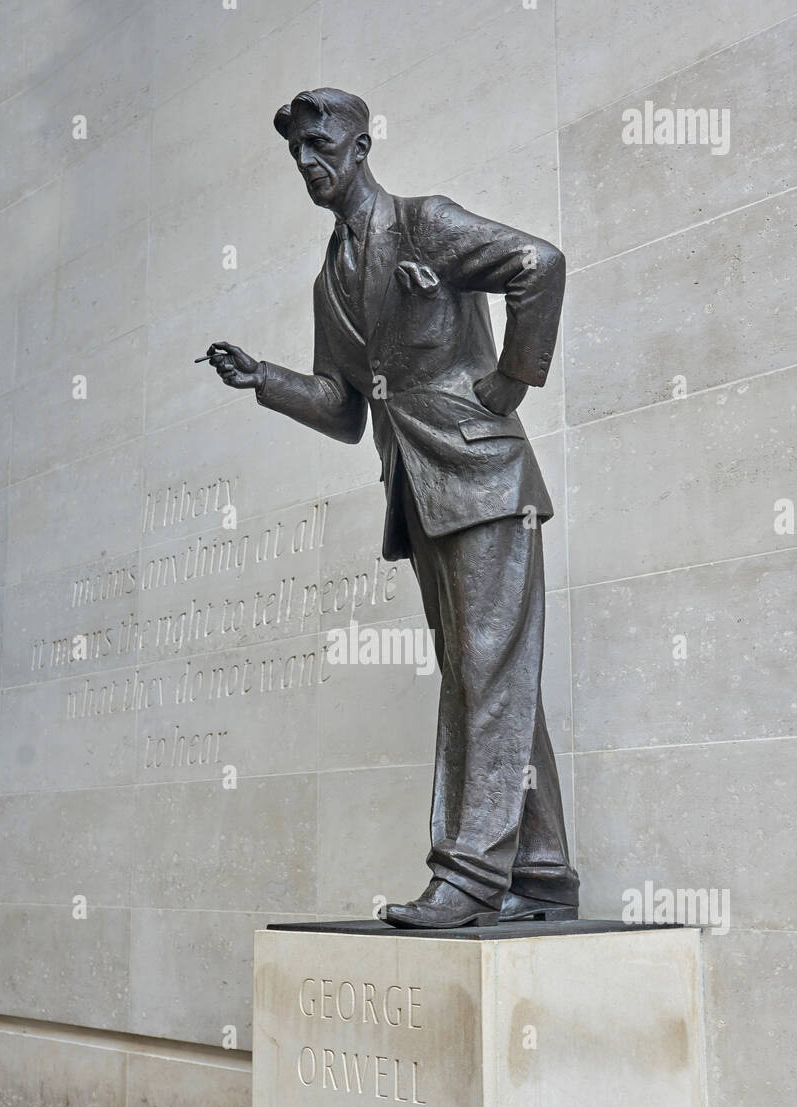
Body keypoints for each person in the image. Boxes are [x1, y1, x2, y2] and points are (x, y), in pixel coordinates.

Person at [206, 87, 579, 928]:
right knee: (484, 675)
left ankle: (467, 878)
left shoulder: (427, 224)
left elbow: (539, 264)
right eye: (296, 152)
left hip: (484, 482)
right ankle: (543, 874)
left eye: (321, 145)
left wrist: (509, 381)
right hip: (419, 496)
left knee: (483, 674)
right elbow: (344, 410)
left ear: (363, 146)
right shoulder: (328, 280)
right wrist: (264, 378)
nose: (308, 163)